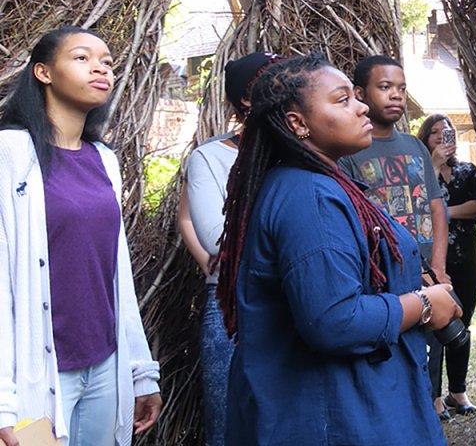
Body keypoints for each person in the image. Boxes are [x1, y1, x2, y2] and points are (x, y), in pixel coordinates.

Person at [216, 53, 460, 445]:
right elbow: (334, 320)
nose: (362, 107)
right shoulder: (309, 199)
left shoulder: (318, 185)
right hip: (330, 418)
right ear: (297, 123)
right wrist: (424, 304)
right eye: (342, 99)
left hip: (346, 406)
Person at [0, 26, 162, 446]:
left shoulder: (104, 160)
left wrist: (139, 370)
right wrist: (3, 402)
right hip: (35, 378)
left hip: (105, 369)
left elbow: (116, 272)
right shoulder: (10, 154)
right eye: (82, 58)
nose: (100, 69)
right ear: (43, 72)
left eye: (107, 62)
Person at [337, 55, 451, 417]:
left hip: (425, 275)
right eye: (384, 87)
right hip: (383, 280)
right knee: (386, 363)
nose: (396, 96)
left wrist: (438, 266)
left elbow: (436, 208)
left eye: (401, 88)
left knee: (425, 357)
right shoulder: (351, 150)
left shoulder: (416, 148)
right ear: (360, 93)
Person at [177, 51, 274, 446]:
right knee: (229, 423)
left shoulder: (303, 153)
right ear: (246, 99)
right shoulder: (210, 157)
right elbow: (218, 234)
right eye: (276, 79)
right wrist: (212, 267)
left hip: (296, 300)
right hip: (232, 303)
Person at [417, 114, 476, 416]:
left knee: (463, 324)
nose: (444, 138)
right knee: (433, 328)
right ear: (425, 138)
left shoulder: (467, 170)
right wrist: (432, 166)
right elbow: (419, 205)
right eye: (436, 133)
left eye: (448, 133)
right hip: (433, 262)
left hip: (466, 257)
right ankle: (433, 397)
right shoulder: (419, 172)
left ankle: (457, 391)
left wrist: (443, 211)